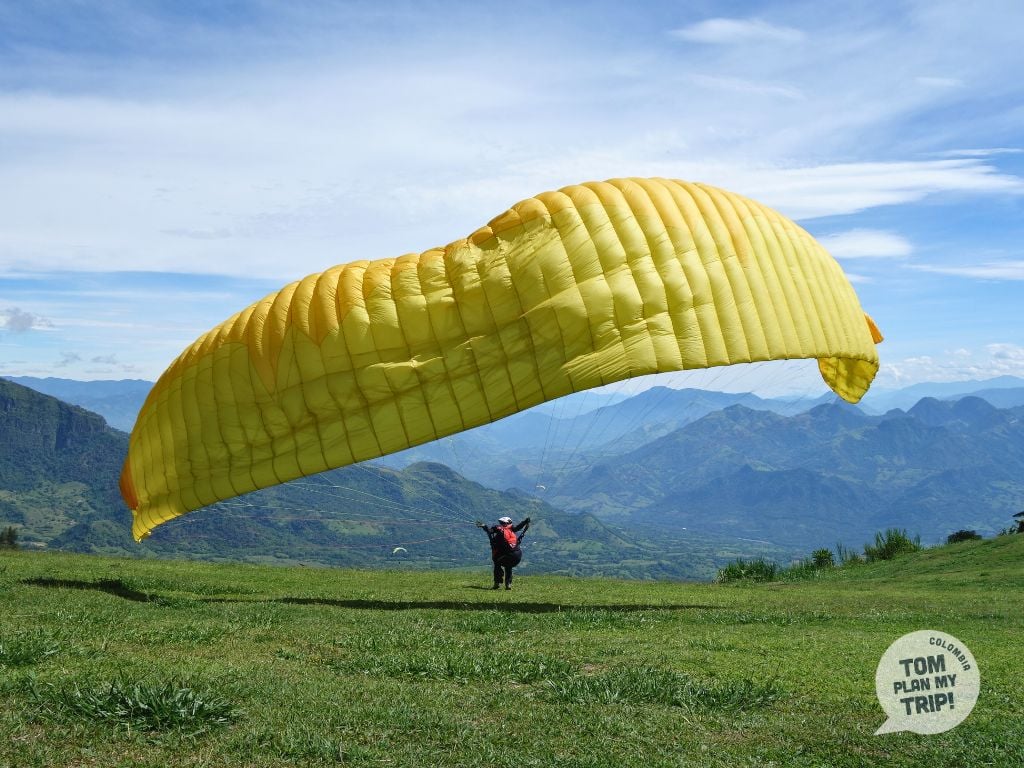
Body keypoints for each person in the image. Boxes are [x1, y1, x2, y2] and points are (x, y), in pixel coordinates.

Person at [476, 515, 530, 590]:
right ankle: (508, 584)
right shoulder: (512, 529)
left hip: (507, 555)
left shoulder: (499, 529)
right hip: (517, 556)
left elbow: (490, 531)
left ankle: (497, 583)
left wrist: (484, 526)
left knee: (497, 562)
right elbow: (519, 527)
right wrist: (525, 522)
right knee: (508, 566)